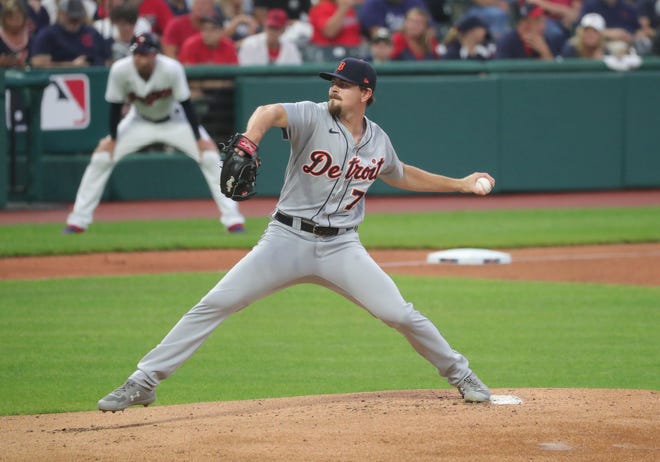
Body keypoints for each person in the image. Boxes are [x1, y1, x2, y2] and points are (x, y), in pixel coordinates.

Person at [96, 57, 494, 413]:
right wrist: (250, 141)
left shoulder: (378, 140)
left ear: (366, 93)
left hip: (342, 246)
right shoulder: (312, 116)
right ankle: (143, 381)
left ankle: (462, 375)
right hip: (285, 240)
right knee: (215, 303)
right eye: (332, 82)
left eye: (344, 84)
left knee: (399, 313)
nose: (333, 88)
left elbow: (401, 173)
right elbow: (267, 112)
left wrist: (460, 184)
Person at [62, 32, 245, 235]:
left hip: (175, 120)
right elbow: (115, 107)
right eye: (136, 53)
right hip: (138, 121)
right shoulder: (120, 70)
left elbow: (186, 104)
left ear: (155, 54)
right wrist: (112, 139)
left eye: (145, 53)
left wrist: (199, 139)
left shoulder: (171, 68)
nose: (140, 57)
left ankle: (234, 221)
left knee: (210, 157)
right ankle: (77, 222)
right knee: (101, 158)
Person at [30, 0, 111, 67]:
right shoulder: (48, 34)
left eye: (77, 17)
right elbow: (38, 63)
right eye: (71, 17)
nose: (74, 21)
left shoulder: (92, 33)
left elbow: (107, 60)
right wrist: (70, 65)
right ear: (60, 14)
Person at [495, 1, 560, 59]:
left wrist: (545, 53)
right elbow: (503, 71)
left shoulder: (546, 40)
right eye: (537, 20)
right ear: (523, 23)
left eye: (543, 20)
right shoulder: (507, 42)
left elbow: (554, 71)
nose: (542, 26)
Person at [238, 8, 302, 65]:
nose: (272, 32)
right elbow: (245, 72)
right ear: (265, 26)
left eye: (276, 28)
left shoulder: (290, 48)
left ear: (283, 30)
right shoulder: (250, 44)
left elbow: (296, 74)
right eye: (270, 27)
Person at [358, 0, 430, 37]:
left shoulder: (415, 2)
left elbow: (430, 28)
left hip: (412, 46)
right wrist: (401, 35)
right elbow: (376, 33)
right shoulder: (373, 3)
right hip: (384, 47)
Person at [0, 0, 31, 68]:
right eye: (10, 19)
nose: (14, 23)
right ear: (4, 18)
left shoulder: (30, 36)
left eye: (17, 19)